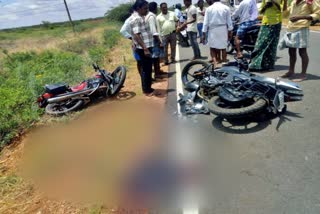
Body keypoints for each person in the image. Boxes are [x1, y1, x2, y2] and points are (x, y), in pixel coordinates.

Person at [278, 0, 320, 81]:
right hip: (291, 28)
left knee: (302, 52)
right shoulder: (294, 2)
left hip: (302, 28)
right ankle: (291, 71)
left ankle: (303, 74)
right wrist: (285, 2)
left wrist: (300, 17)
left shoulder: (310, 1)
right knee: (291, 51)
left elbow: (317, 14)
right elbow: (285, 14)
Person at [248, 0, 284, 71]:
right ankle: (254, 65)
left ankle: (268, 65)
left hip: (276, 23)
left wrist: (275, 3)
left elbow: (284, 10)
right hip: (265, 23)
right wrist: (266, 6)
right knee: (260, 44)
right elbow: (261, 11)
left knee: (272, 46)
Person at [130, 0, 155, 95]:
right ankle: (147, 90)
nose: (147, 10)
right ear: (138, 8)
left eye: (147, 8)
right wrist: (145, 48)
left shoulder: (140, 17)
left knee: (147, 68)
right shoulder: (136, 19)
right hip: (143, 48)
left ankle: (148, 87)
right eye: (145, 8)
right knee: (146, 69)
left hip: (145, 46)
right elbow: (136, 35)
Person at [202, 0, 233, 66]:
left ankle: (215, 62)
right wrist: (230, 31)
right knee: (223, 47)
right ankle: (224, 61)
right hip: (223, 29)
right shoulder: (226, 8)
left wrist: (204, 33)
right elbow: (229, 22)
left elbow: (205, 22)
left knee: (212, 47)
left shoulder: (209, 9)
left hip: (213, 30)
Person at [146, 2, 165, 80]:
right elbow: (153, 31)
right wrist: (159, 41)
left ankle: (158, 71)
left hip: (154, 38)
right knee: (155, 57)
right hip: (154, 39)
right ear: (154, 8)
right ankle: (157, 74)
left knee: (156, 57)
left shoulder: (152, 15)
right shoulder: (151, 16)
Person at [120, 7, 141, 74]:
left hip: (140, 42)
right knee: (140, 61)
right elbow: (122, 31)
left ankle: (146, 78)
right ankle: (144, 78)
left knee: (143, 61)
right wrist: (132, 38)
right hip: (136, 43)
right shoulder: (129, 20)